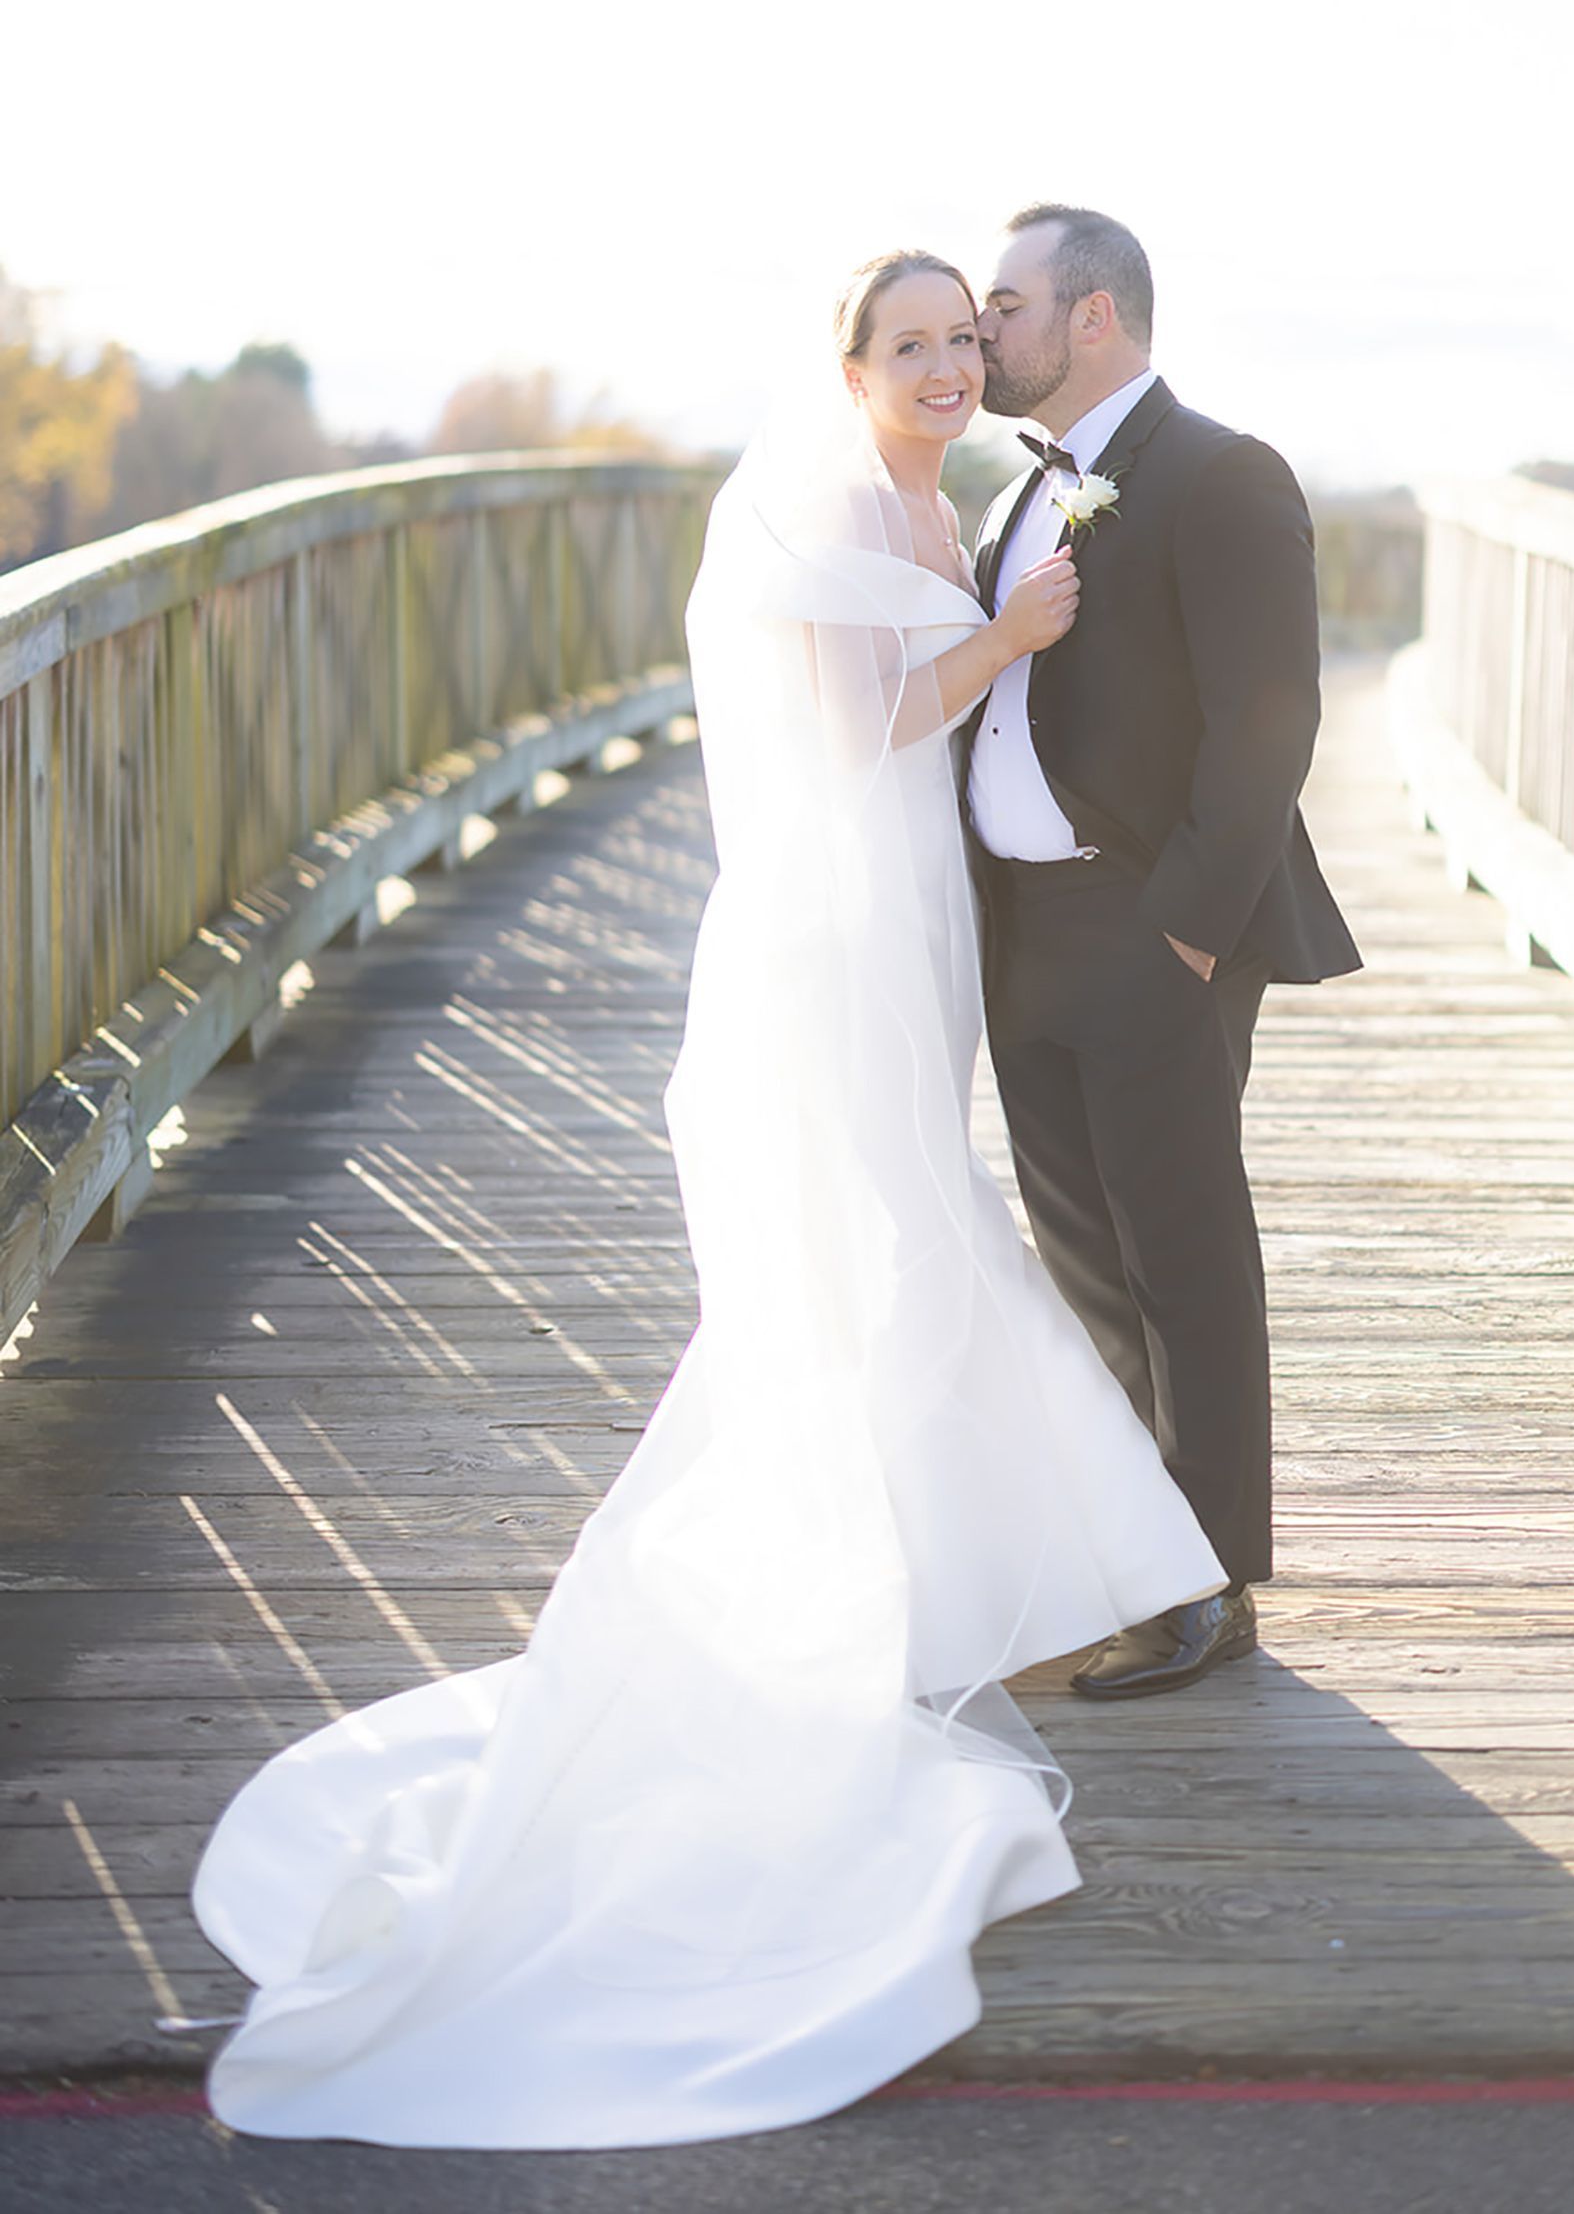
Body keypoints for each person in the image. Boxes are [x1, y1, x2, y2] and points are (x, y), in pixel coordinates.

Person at [188, 253, 1225, 2149]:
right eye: (906, 344)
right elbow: (844, 731)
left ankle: (950, 1569)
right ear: (849, 366)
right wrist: (1014, 641)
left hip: (919, 920)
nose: (939, 365)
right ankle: (991, 1576)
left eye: (959, 341)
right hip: (828, 937)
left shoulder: (951, 489)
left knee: (918, 1239)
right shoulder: (833, 494)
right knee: (895, 1247)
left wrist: (1008, 634)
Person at [970, 204, 1361, 1701]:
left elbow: (1275, 722)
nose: (982, 334)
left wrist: (1189, 935)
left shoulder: (1220, 475)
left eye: (1004, 305)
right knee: (1087, 1266)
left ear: (1094, 318)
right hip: (1027, 933)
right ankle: (1139, 1558)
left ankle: (1209, 1588)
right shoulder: (1022, 494)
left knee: (1182, 1258)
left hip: (1152, 937)